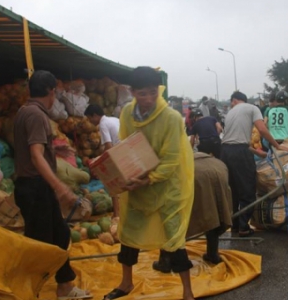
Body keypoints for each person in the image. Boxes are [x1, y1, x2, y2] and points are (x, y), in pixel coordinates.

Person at [106, 67, 195, 300]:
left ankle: (187, 292)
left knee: (174, 239)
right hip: (137, 183)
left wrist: (149, 179)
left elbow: (172, 159)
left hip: (167, 187)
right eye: (142, 94)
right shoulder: (126, 113)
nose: (148, 99)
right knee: (128, 235)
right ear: (132, 92)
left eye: (152, 93)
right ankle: (126, 283)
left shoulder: (171, 118)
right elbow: (126, 144)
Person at [13, 70, 92, 299]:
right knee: (42, 245)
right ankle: (28, 290)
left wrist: (54, 149)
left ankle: (64, 287)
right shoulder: (37, 116)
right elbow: (36, 157)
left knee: (59, 234)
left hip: (33, 187)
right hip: (36, 187)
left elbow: (30, 148)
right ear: (51, 91)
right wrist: (60, 187)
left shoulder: (24, 112)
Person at [220, 91, 288, 237]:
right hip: (239, 153)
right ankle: (244, 227)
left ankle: (234, 225)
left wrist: (257, 152)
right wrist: (277, 146)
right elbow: (262, 129)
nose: (232, 103)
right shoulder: (252, 108)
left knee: (233, 190)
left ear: (236, 100)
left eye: (232, 101)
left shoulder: (231, 113)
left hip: (225, 152)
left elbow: (234, 139)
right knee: (247, 190)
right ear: (244, 100)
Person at [153, 152, 232, 272]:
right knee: (213, 211)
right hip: (217, 167)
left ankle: (165, 261)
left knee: (169, 216)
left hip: (191, 170)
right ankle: (213, 253)